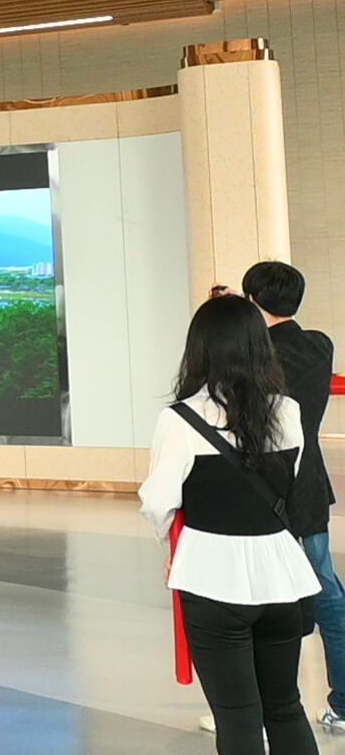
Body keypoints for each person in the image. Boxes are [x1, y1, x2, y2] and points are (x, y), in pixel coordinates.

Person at [140, 294, 320, 755]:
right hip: (283, 576)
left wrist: (171, 547)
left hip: (212, 577)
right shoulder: (287, 410)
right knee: (285, 707)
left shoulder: (179, 419)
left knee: (237, 716)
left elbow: (158, 502)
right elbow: (290, 481)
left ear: (199, 349)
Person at [242, 264, 343, 733]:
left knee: (255, 598)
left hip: (263, 486)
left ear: (253, 300)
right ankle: (343, 703)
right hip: (309, 486)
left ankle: (257, 711)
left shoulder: (254, 355)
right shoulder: (320, 345)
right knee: (328, 592)